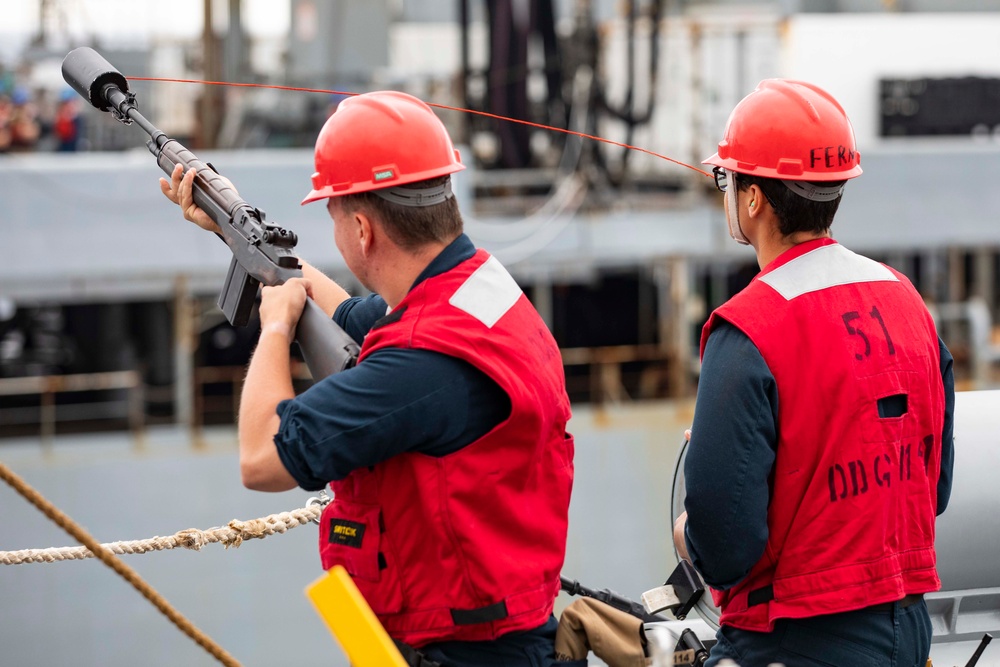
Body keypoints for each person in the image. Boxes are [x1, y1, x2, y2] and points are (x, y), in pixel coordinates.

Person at [160, 90, 575, 667]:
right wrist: (241, 237)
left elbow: (260, 459)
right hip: (509, 635)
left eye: (333, 219)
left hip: (460, 655)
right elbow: (355, 318)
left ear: (362, 228)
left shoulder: (417, 366)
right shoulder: (479, 294)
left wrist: (275, 329)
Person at [672, 79, 955, 667]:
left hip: (795, 641)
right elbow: (935, 487)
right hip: (909, 632)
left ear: (752, 199)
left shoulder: (747, 328)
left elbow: (724, 549)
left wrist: (691, 527)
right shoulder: (907, 302)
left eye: (728, 179)